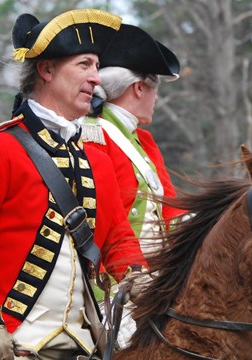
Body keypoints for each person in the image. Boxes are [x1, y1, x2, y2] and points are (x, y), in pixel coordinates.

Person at [0, 9, 147, 360]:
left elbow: (118, 238)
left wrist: (139, 278)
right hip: (5, 339)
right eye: (84, 64)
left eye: (97, 66)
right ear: (46, 70)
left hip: (81, 341)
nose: (96, 79)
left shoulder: (97, 159)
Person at [81, 24, 184, 258]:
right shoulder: (92, 135)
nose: (156, 97)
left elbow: (169, 206)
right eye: (155, 88)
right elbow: (98, 222)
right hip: (116, 275)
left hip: (157, 272)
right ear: (138, 88)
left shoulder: (144, 141)